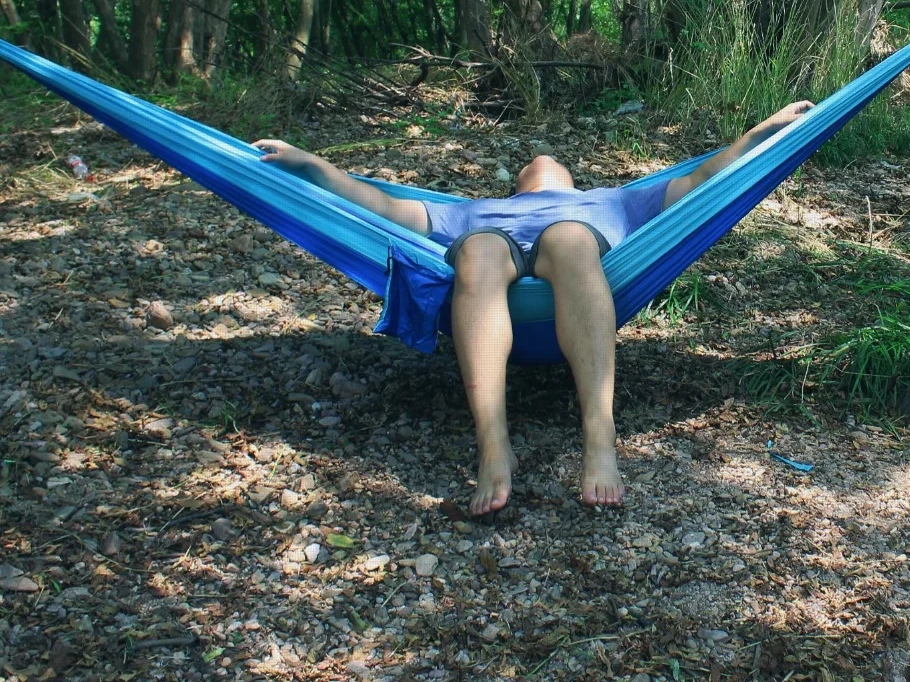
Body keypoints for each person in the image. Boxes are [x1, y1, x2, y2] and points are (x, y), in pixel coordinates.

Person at [253, 100, 813, 515]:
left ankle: (600, 435)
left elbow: (700, 180)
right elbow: (383, 205)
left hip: (573, 254)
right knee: (476, 253)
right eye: (532, 165)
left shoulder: (612, 201)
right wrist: (314, 168)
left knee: (569, 238)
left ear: (570, 180)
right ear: (519, 185)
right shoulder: (473, 209)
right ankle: (493, 445)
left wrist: (757, 136)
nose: (542, 163)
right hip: (491, 256)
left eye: (551, 164)